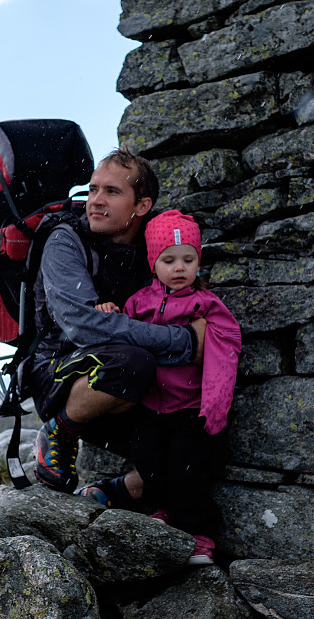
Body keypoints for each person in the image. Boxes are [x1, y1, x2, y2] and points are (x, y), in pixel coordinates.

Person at [27, 147, 207, 507]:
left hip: (133, 389)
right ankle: (58, 432)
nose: (95, 200)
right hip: (60, 372)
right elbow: (84, 327)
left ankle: (104, 493)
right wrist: (185, 341)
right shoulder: (65, 240)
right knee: (133, 362)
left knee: (183, 452)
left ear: (141, 206)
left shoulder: (156, 250)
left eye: (111, 192)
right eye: (93, 189)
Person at [93, 210, 241, 565]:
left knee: (186, 470)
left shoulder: (205, 304)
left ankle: (200, 536)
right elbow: (120, 334)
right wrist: (109, 310)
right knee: (150, 462)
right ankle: (160, 512)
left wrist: (215, 407)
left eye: (188, 259)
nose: (179, 268)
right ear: (153, 264)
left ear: (198, 263)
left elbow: (226, 347)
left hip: (189, 408)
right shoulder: (139, 302)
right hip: (149, 407)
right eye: (169, 260)